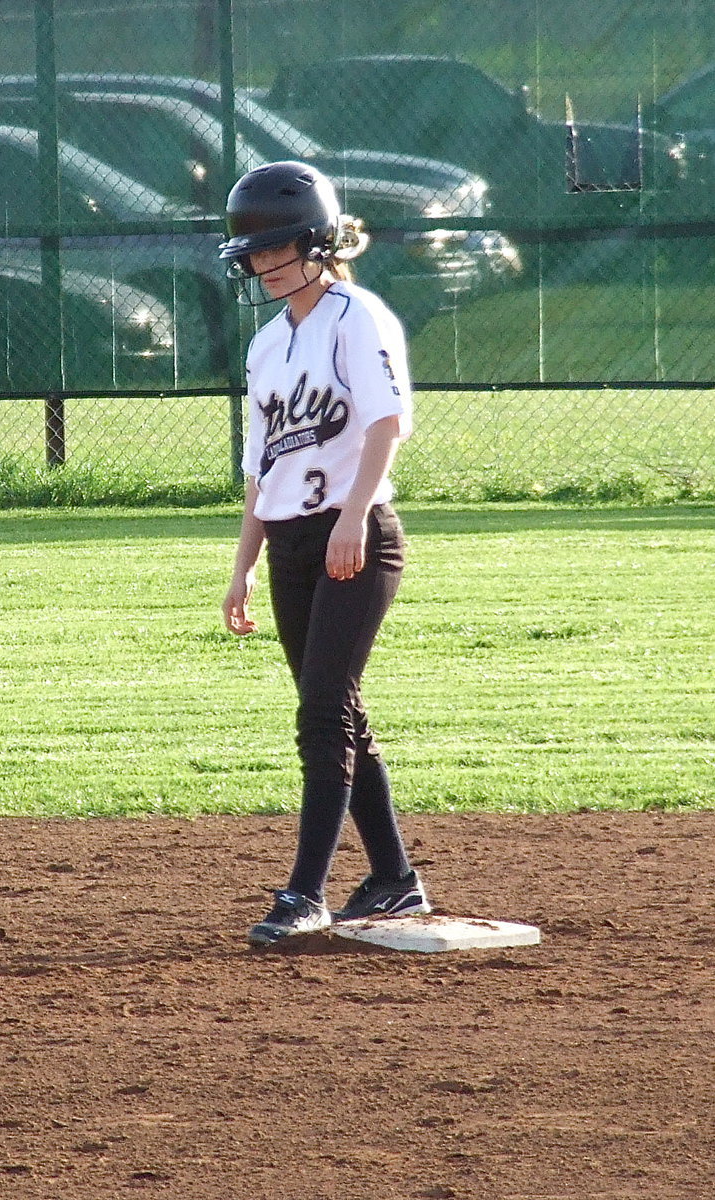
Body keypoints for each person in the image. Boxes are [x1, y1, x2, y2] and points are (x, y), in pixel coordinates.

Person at [219, 160, 431, 946]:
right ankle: (394, 881)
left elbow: (384, 423)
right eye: (253, 253)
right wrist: (242, 563)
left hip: (356, 538)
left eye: (278, 248)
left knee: (319, 715)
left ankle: (305, 893)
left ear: (317, 241)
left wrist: (354, 514)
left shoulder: (357, 315)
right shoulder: (267, 345)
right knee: (341, 714)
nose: (263, 264)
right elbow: (259, 471)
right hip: (288, 543)